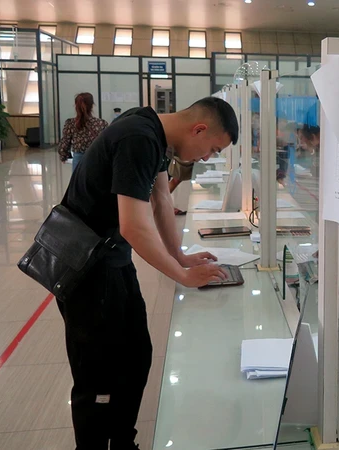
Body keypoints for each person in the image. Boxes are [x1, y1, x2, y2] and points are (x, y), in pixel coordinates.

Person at [59, 97, 238, 450]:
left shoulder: (152, 131)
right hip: (87, 269)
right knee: (97, 377)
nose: (206, 158)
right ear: (198, 129)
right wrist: (181, 276)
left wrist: (180, 256)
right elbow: (134, 227)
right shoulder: (139, 137)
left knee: (137, 356)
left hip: (111, 261)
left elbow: (161, 199)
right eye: (212, 149)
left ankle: (123, 441)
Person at [59, 93, 108, 171]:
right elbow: (106, 143)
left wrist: (63, 155)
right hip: (96, 158)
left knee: (78, 181)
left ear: (76, 106)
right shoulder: (101, 123)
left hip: (78, 158)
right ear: (92, 105)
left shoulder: (70, 123)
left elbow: (65, 141)